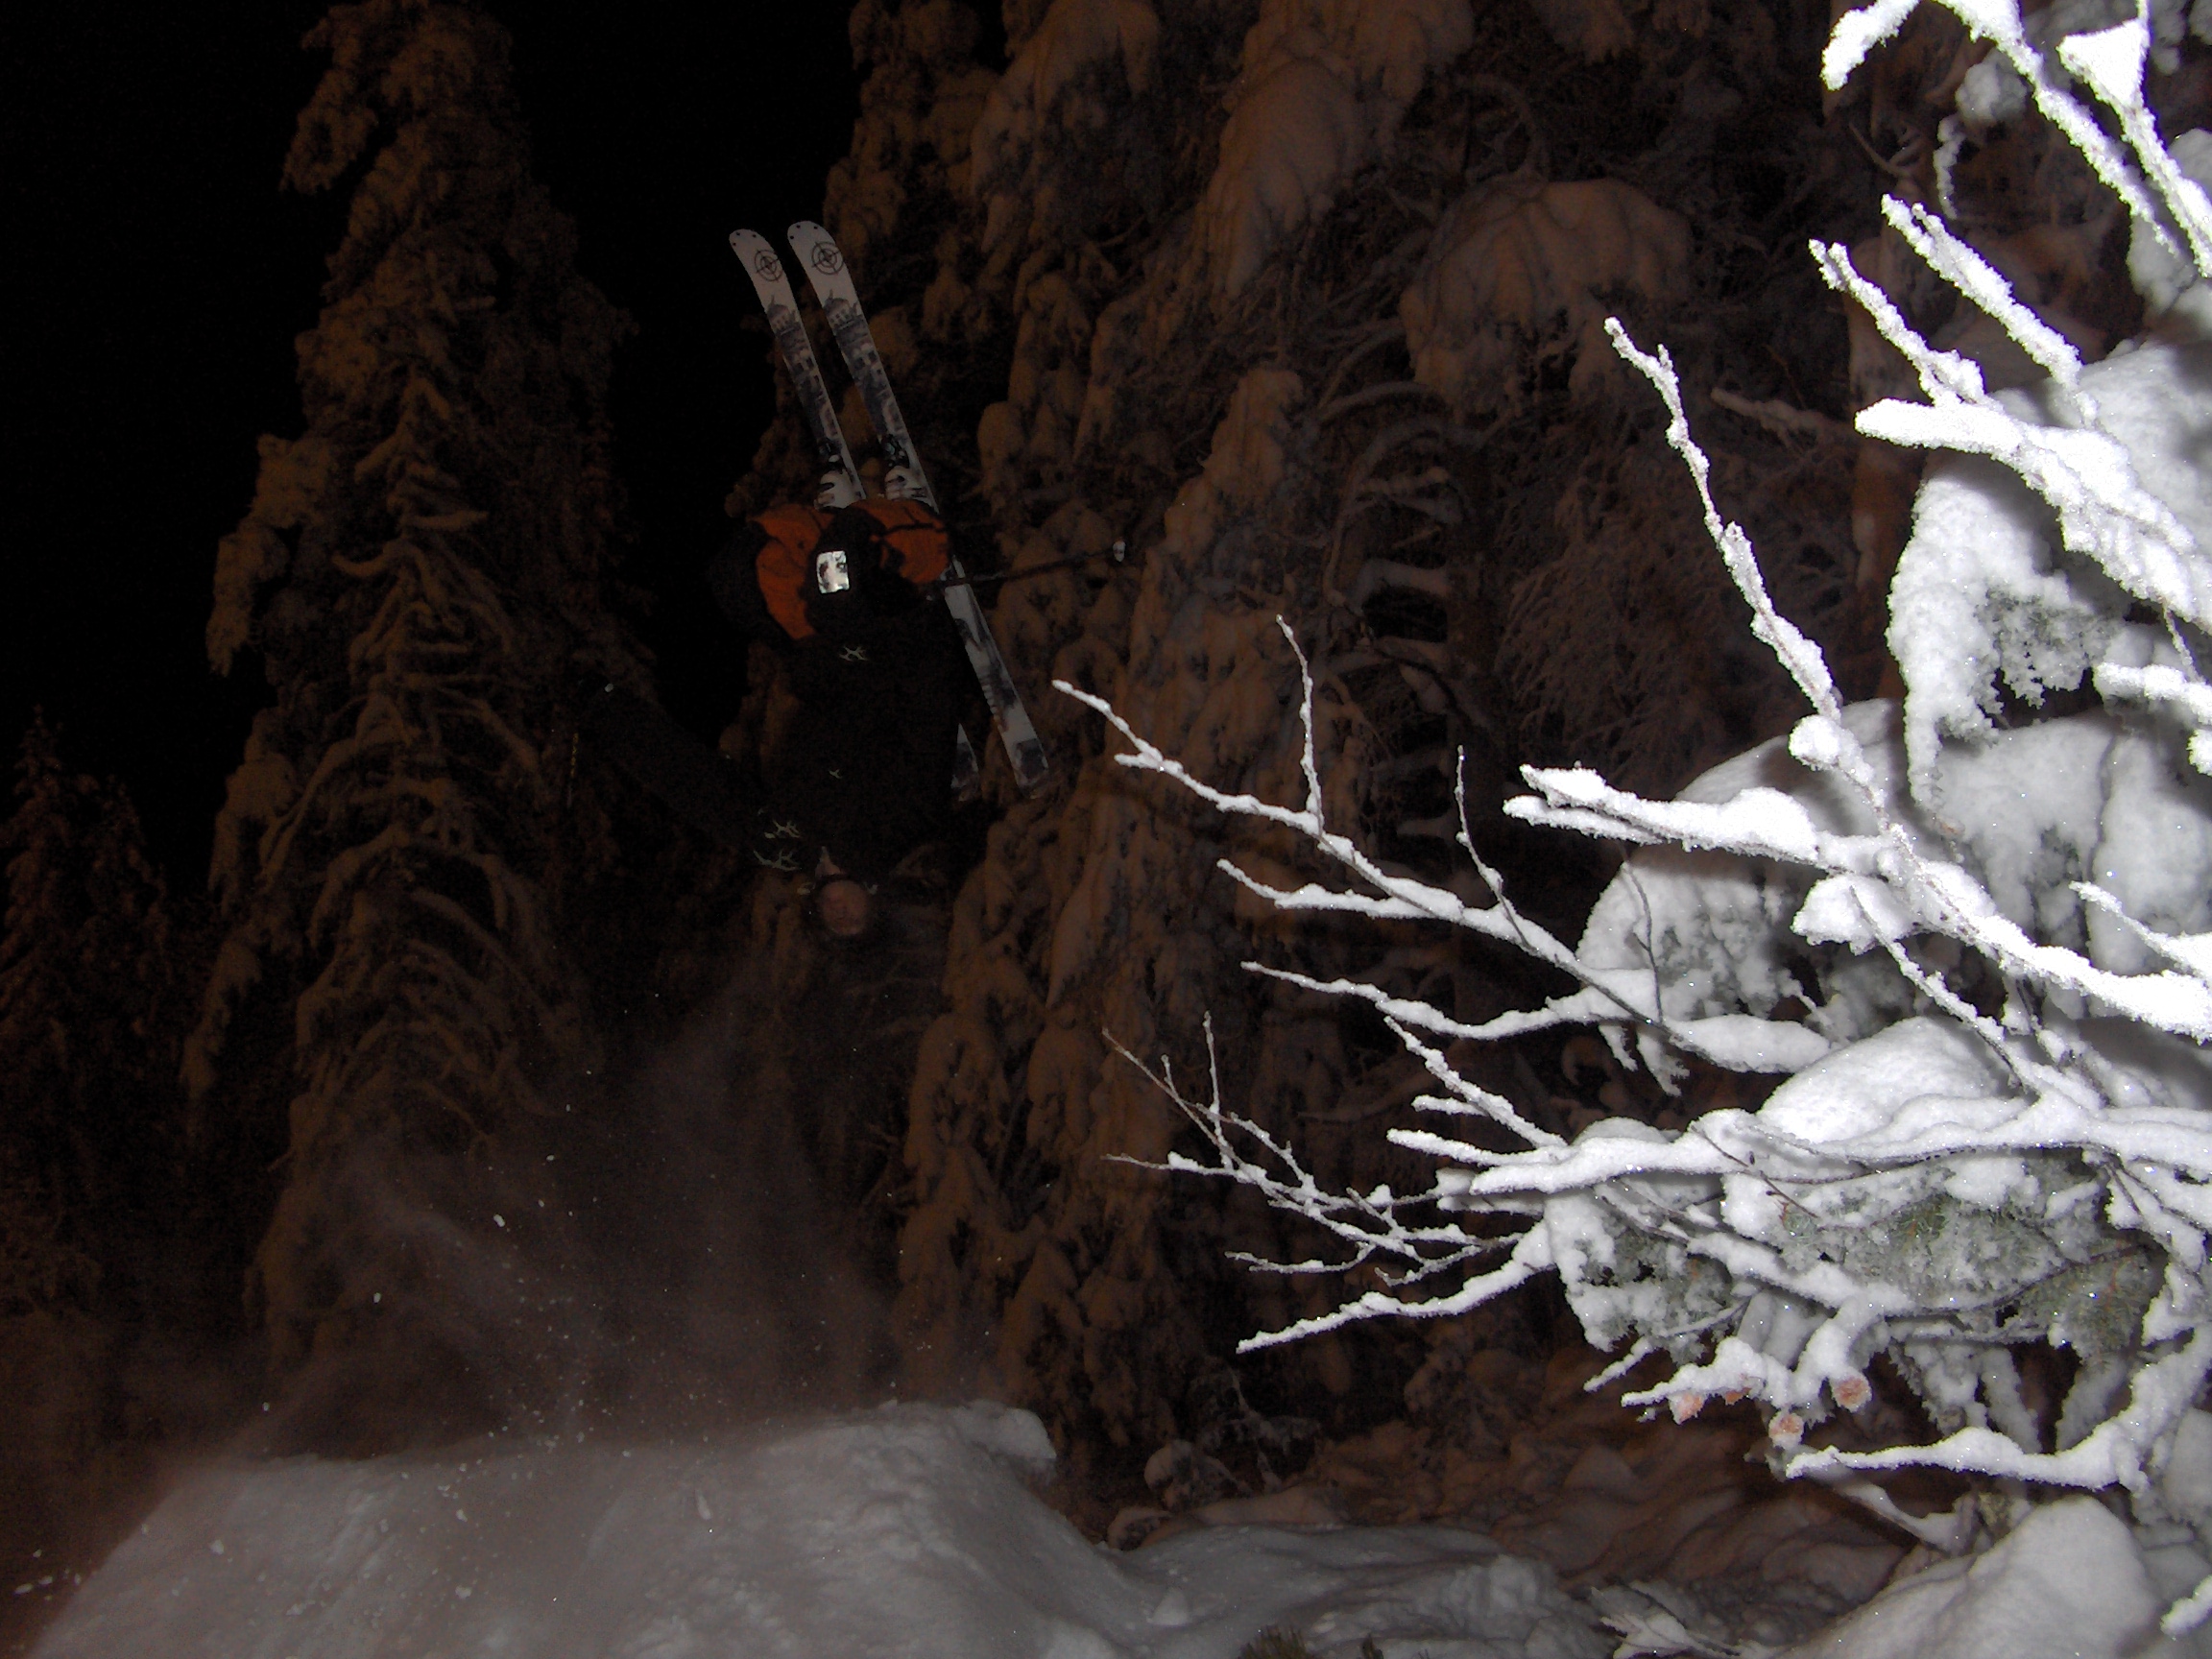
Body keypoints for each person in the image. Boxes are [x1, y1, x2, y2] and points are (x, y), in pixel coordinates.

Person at [705, 476, 970, 938]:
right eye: (857, 923)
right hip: (885, 650)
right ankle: (911, 524)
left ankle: (834, 530)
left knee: (736, 578)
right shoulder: (894, 830)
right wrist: (920, 650)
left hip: (820, 655)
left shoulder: (791, 842)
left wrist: (604, 711)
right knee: (833, 576)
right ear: (874, 899)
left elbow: (698, 790)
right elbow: (929, 727)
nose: (841, 917)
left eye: (833, 926)